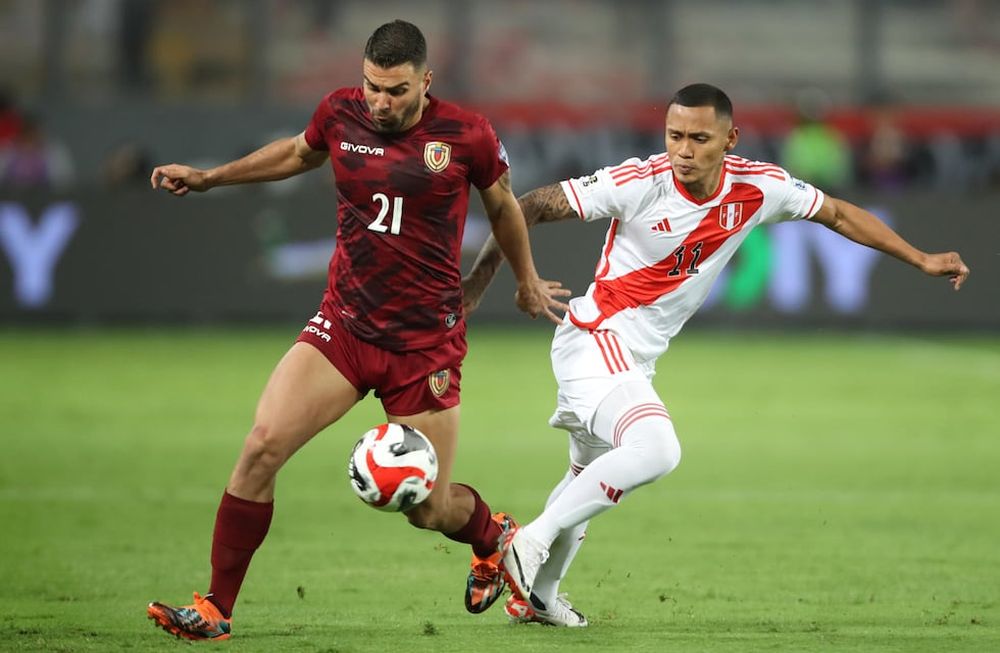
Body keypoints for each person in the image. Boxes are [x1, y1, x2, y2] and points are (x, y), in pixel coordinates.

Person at [463, 83, 970, 627]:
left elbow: (840, 214)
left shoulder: (759, 187)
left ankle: (539, 598)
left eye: (699, 139)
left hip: (635, 357)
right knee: (656, 448)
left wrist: (920, 258)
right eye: (674, 135)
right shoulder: (640, 181)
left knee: (586, 475)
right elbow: (528, 205)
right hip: (596, 336)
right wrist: (495, 281)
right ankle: (525, 542)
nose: (683, 150)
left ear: (730, 139)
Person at [146, 20, 568, 641]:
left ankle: (492, 536)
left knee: (428, 510)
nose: (381, 102)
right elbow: (298, 153)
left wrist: (526, 279)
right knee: (261, 447)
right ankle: (216, 609)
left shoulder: (466, 135)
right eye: (372, 86)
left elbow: (503, 204)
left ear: (425, 82)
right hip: (343, 328)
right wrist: (212, 178)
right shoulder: (339, 113)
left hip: (424, 347)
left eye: (396, 90)